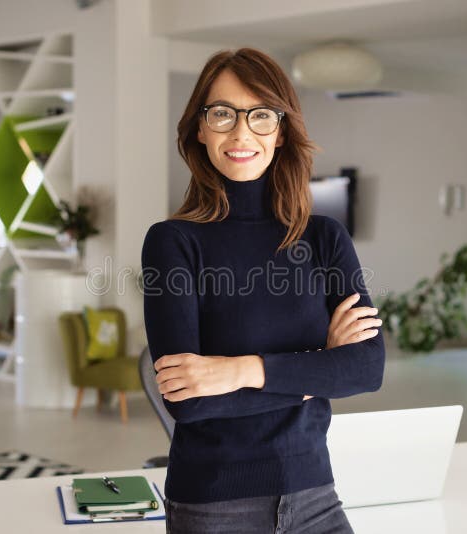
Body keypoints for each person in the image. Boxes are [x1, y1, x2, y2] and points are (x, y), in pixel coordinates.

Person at [141, 47, 385, 534]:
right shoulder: (173, 242)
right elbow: (188, 401)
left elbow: (366, 367)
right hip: (212, 505)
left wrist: (237, 371)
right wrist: (319, 367)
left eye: (260, 115)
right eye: (223, 113)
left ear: (281, 131)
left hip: (315, 494)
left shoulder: (323, 237)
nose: (240, 132)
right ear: (199, 129)